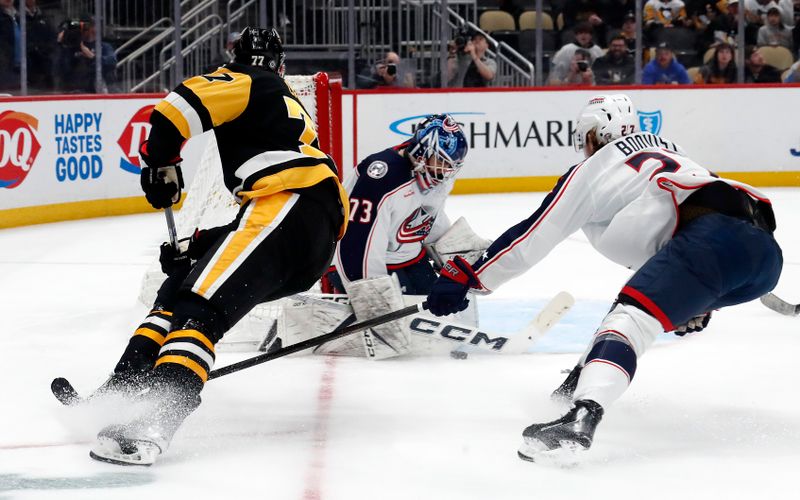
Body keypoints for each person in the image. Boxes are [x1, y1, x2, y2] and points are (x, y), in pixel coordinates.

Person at [424, 93, 782, 462]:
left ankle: (581, 418)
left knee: (628, 319)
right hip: (764, 258)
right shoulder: (673, 150)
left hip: (711, 246)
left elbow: (534, 233)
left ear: (597, 133)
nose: (584, 146)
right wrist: (702, 301)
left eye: (586, 137)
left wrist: (470, 277)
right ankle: (579, 381)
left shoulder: (597, 169)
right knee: (634, 304)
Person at [87, 27, 349, 466]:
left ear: (239, 57)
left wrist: (160, 164)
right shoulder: (283, 103)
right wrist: (199, 249)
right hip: (301, 230)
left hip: (288, 207)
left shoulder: (249, 79)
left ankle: (156, 419)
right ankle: (125, 386)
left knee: (199, 307)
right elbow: (259, 225)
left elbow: (174, 109)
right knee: (179, 287)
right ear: (282, 65)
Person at [316, 114, 477, 359]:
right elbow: (356, 244)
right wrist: (372, 297)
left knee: (444, 307)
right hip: (353, 261)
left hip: (407, 258)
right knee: (396, 340)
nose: (446, 172)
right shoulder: (381, 177)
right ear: (422, 153)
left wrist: (454, 251)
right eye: (442, 162)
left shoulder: (433, 175)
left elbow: (426, 215)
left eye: (451, 165)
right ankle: (339, 299)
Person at [55, 19, 116, 93]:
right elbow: (59, 69)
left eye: (85, 27)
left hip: (95, 92)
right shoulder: (71, 47)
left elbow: (112, 62)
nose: (82, 30)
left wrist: (92, 57)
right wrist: (60, 45)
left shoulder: (104, 46)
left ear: (93, 28)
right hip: (73, 92)